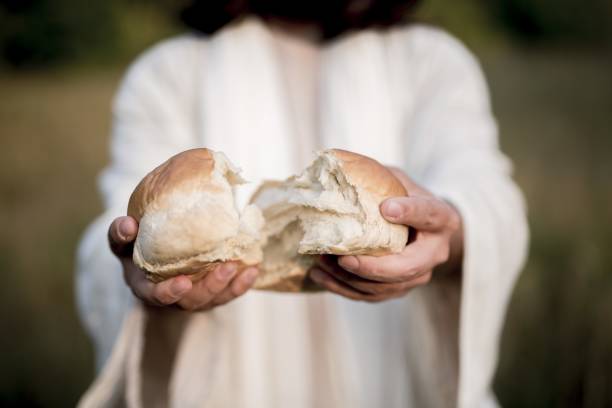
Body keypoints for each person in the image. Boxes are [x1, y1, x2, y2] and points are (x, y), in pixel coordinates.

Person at [76, 1, 528, 407]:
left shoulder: (432, 61)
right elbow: (121, 228)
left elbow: (486, 196)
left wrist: (449, 230)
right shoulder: (167, 74)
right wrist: (139, 271)